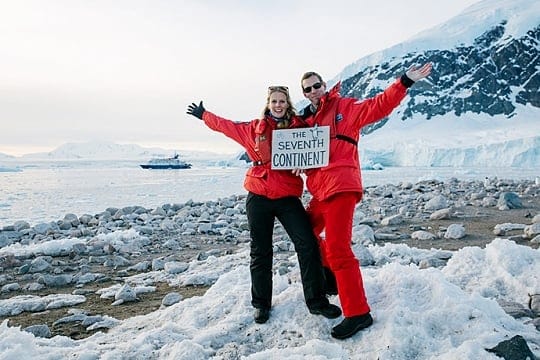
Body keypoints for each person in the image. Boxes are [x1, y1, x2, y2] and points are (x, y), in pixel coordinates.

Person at [298, 63, 433, 339]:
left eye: (316, 85)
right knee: (304, 232)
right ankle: (331, 274)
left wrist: (404, 81)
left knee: (338, 248)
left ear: (324, 86)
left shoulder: (344, 108)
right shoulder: (305, 123)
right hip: (320, 191)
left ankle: (358, 313)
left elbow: (379, 106)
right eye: (307, 88)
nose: (313, 91)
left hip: (342, 187)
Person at [186, 86, 341, 324]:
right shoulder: (253, 129)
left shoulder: (300, 129)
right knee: (260, 252)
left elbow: (319, 152)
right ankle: (261, 305)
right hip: (258, 196)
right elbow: (226, 126)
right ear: (268, 104)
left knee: (307, 243)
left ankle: (317, 301)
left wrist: (305, 165)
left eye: (282, 101)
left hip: (288, 196)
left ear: (287, 104)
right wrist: (204, 114)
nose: (278, 105)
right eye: (274, 101)